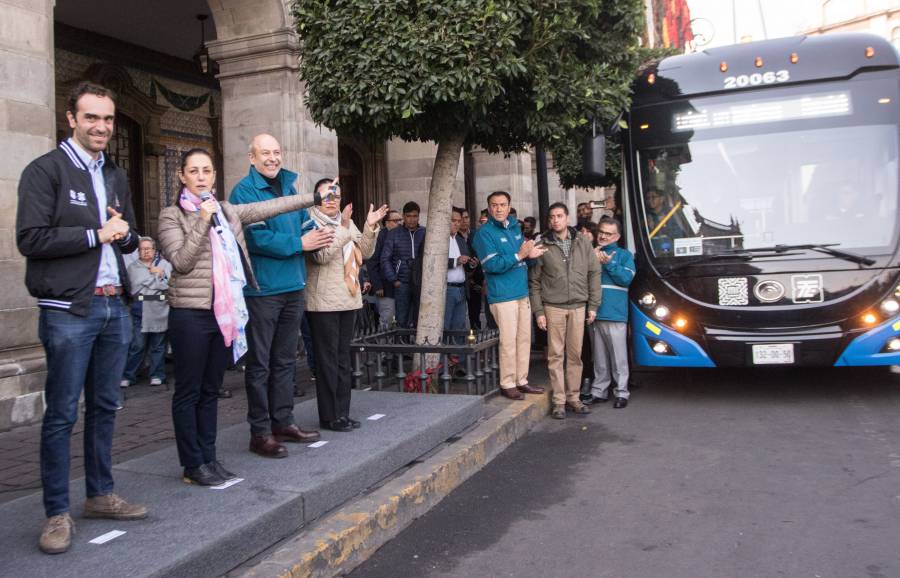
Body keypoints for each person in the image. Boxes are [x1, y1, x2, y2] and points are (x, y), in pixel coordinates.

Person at [16, 81, 147, 555]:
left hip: (115, 304)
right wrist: (97, 234)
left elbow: (129, 236)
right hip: (69, 309)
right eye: (92, 117)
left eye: (108, 119)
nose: (102, 127)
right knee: (63, 414)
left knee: (106, 407)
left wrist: (128, 236)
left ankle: (100, 495)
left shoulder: (115, 174)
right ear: (70, 118)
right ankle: (56, 512)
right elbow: (30, 239)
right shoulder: (45, 170)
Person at [157, 147, 319, 486]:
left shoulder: (226, 211)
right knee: (189, 391)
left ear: (214, 176)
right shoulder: (171, 215)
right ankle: (192, 464)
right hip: (190, 314)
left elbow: (267, 206)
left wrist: (311, 197)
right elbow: (182, 261)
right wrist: (202, 219)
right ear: (182, 176)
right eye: (195, 171)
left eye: (207, 171)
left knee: (211, 390)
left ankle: (209, 457)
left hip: (222, 313)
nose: (201, 177)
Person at [228, 134, 330, 459]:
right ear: (251, 157)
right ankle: (260, 432)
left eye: (276, 152)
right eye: (265, 153)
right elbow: (257, 239)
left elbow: (302, 225)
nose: (272, 158)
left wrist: (315, 235)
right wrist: (300, 245)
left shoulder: (290, 186)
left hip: (293, 287)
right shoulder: (243, 191)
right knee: (260, 365)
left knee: (286, 360)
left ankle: (283, 421)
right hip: (262, 291)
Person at [304, 178, 385, 431]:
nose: (332, 201)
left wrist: (369, 227)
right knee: (326, 361)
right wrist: (344, 227)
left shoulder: (345, 222)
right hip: (323, 302)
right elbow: (321, 255)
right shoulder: (310, 221)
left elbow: (366, 252)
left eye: (335, 197)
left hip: (348, 298)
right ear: (316, 198)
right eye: (327, 196)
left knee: (343, 360)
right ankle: (329, 416)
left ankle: (343, 412)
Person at [529, 203, 601, 419]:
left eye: (559, 216)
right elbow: (534, 282)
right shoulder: (543, 244)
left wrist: (593, 305)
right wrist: (539, 311)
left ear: (567, 218)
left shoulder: (582, 242)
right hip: (553, 307)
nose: (555, 220)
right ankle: (559, 401)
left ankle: (574, 397)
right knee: (555, 355)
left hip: (579, 306)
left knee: (575, 355)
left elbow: (594, 273)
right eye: (552, 217)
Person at [472, 191, 546, 400]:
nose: (498, 209)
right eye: (494, 205)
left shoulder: (514, 227)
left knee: (524, 339)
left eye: (502, 205)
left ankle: (521, 380)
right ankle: (507, 383)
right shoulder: (483, 233)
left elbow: (523, 259)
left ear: (509, 206)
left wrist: (531, 256)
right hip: (502, 294)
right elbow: (492, 265)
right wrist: (520, 254)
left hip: (521, 291)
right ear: (488, 208)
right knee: (508, 341)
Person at [585, 217, 635, 408]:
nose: (603, 236)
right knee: (599, 357)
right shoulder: (591, 252)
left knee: (618, 357)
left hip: (615, 313)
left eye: (608, 233)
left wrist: (608, 264)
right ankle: (599, 391)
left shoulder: (624, 255)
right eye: (601, 232)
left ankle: (622, 392)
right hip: (594, 313)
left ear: (617, 236)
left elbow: (626, 279)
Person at [122, 237, 171, 388]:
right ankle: (129, 375)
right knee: (137, 345)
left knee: (158, 345)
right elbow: (135, 288)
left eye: (149, 248)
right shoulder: (133, 267)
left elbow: (169, 285)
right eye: (143, 249)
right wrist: (157, 279)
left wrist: (160, 275)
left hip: (160, 309)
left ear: (154, 250)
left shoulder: (164, 265)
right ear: (138, 251)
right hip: (140, 310)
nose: (146, 251)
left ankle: (157, 374)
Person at [381, 201, 425, 328]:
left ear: (419, 216)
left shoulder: (425, 232)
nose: (412, 219)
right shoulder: (394, 234)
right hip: (402, 283)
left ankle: (420, 347)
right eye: (409, 216)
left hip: (421, 283)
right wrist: (394, 280)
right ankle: (402, 346)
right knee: (402, 319)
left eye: (415, 216)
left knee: (420, 319)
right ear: (404, 216)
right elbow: (385, 259)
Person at [370, 209, 402, 329]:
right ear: (387, 223)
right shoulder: (379, 237)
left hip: (400, 286)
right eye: (395, 221)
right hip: (385, 288)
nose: (399, 223)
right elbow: (372, 262)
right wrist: (377, 285)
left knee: (400, 321)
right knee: (387, 319)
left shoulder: (401, 235)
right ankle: (382, 347)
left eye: (400, 220)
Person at [445, 207, 472, 342]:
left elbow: (466, 264)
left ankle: (457, 356)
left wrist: (471, 263)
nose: (456, 223)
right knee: (445, 325)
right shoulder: (438, 240)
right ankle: (443, 357)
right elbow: (434, 263)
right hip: (446, 289)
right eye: (453, 220)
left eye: (458, 221)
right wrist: (456, 261)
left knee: (459, 325)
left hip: (461, 288)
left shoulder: (460, 239)